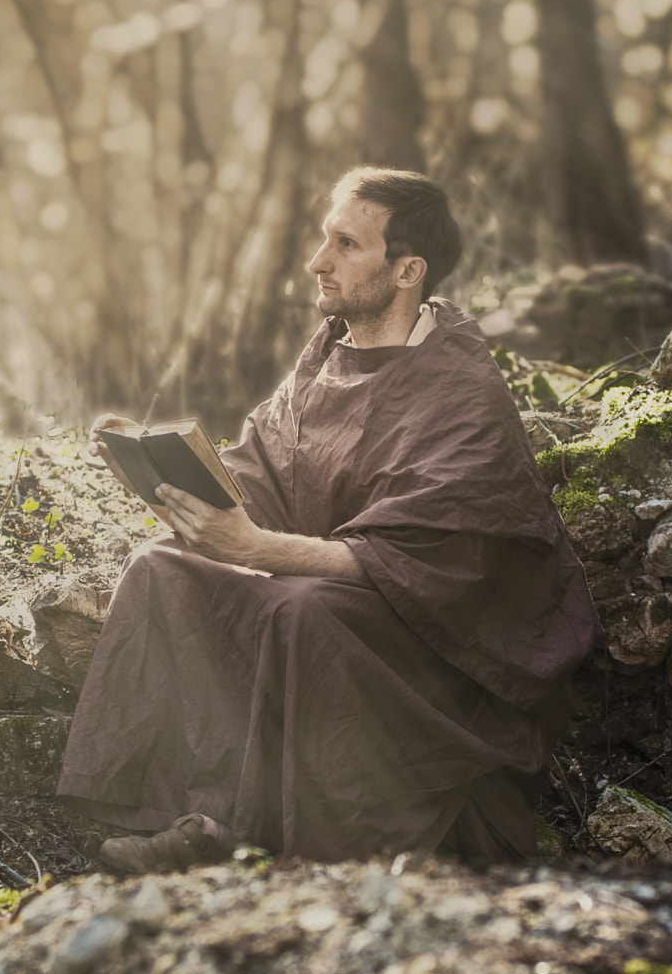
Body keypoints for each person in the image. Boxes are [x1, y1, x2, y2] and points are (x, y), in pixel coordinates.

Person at [58, 166, 598, 873]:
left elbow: (420, 559)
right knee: (159, 568)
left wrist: (251, 546)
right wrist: (161, 470)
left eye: (346, 245)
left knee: (301, 611)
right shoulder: (325, 358)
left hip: (442, 641)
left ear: (407, 270)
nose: (319, 262)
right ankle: (162, 813)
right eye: (325, 240)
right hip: (333, 590)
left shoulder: (462, 391)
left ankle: (244, 838)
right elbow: (259, 476)